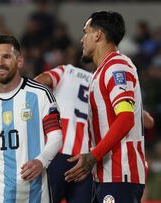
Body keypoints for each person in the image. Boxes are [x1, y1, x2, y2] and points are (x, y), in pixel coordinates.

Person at [64, 11, 147, 203]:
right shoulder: (101, 72)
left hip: (120, 174)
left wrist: (93, 155)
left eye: (86, 32)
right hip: (106, 176)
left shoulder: (116, 67)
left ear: (98, 35)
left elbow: (126, 118)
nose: (82, 40)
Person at [0, 35, 62, 202]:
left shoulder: (40, 94)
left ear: (19, 61)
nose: (0, 63)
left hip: (34, 193)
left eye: (6, 57)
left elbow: (56, 137)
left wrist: (40, 161)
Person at [34, 64, 93, 203]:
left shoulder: (67, 71)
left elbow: (40, 81)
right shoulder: (99, 81)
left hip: (57, 152)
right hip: (85, 160)